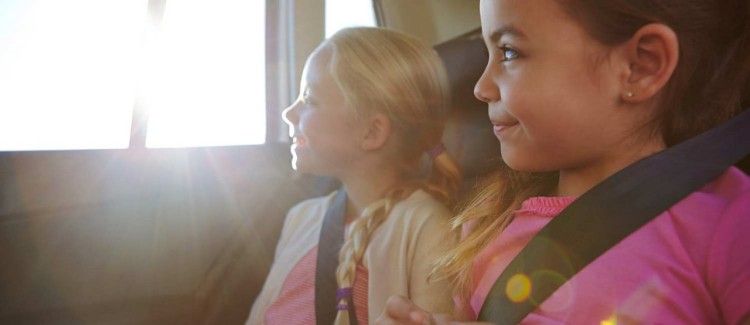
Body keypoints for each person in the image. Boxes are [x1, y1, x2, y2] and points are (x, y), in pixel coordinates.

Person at [376, 0, 750, 324]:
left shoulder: (729, 223)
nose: (480, 87)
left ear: (641, 66)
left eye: (509, 52)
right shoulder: (487, 221)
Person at [246, 27, 462, 325]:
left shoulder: (427, 226)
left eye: (309, 99)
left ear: (371, 131)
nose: (288, 113)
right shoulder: (299, 219)